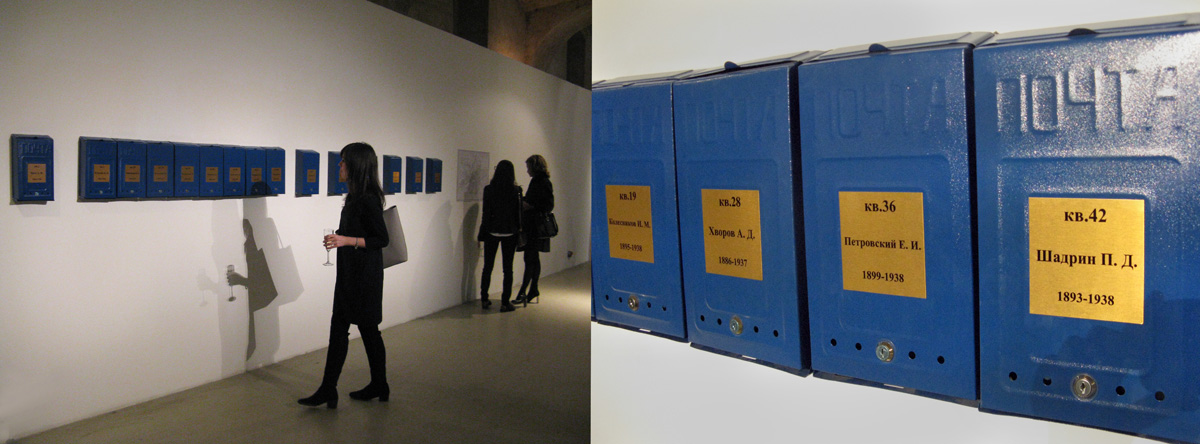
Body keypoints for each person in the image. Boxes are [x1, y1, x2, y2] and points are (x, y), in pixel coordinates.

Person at [299, 142, 390, 409]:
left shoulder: (369, 199)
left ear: (356, 165)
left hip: (365, 277)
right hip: (350, 275)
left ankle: (375, 384)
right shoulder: (353, 197)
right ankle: (332, 388)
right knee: (341, 329)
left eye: (343, 161)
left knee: (367, 330)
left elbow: (382, 239)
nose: (339, 166)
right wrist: (340, 237)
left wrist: (346, 240)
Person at [478, 160, 523, 313]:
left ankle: (484, 298)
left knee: (487, 267)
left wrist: (482, 233)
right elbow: (518, 214)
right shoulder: (516, 190)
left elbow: (486, 213)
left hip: (492, 231)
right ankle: (505, 302)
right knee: (508, 269)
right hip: (510, 232)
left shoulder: (489, 189)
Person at [514, 154, 553, 305]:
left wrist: (530, 206)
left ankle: (524, 291)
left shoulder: (542, 182)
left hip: (536, 226)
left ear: (535, 167)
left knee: (530, 259)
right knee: (533, 258)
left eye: (528, 167)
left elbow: (548, 205)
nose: (527, 170)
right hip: (534, 226)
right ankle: (532, 290)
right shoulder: (539, 181)